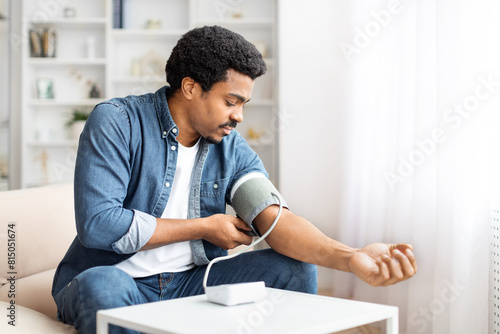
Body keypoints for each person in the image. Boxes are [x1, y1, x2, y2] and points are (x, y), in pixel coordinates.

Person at [52, 25, 417, 334]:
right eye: (231, 101)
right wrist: (204, 227)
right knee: (103, 285)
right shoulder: (118, 122)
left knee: (293, 269)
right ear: (191, 87)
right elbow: (100, 226)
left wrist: (351, 257)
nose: (239, 116)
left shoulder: (230, 146)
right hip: (116, 279)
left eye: (243, 104)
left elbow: (274, 219)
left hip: (190, 283)